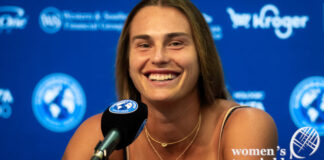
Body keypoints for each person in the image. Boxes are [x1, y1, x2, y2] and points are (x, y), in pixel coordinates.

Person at [62, 0, 278, 159]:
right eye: (144, 45)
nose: (158, 58)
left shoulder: (246, 125)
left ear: (201, 55)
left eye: (175, 43)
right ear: (127, 60)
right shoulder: (102, 136)